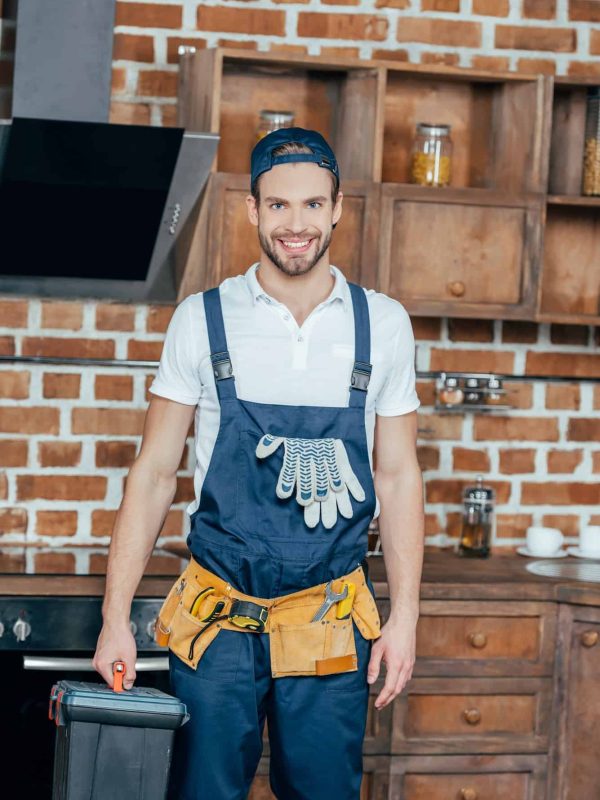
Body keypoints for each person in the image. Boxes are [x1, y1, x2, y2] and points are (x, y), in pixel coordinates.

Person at [93, 127, 424, 799]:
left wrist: (405, 617)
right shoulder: (201, 319)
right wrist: (114, 615)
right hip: (216, 626)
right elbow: (154, 472)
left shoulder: (381, 324)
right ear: (251, 210)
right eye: (277, 206)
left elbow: (398, 476)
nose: (295, 224)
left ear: (337, 208)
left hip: (331, 622)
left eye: (310, 205)